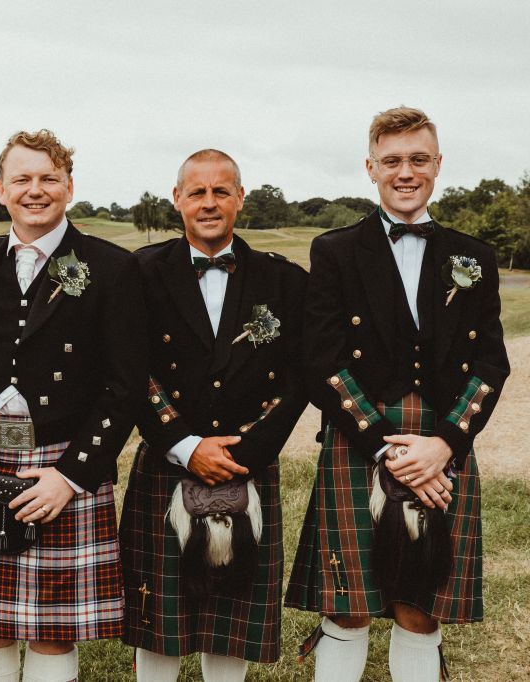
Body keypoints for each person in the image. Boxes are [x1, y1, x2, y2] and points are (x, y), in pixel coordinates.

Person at [285, 106, 510, 681]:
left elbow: (490, 362)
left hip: (442, 436)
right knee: (348, 602)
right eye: (392, 161)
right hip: (362, 437)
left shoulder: (473, 256)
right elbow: (322, 362)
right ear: (370, 168)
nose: (405, 172)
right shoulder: (335, 250)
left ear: (438, 165)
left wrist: (446, 444)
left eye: (417, 159)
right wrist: (386, 446)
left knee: (420, 604)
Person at [0, 129, 146, 682]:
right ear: (0, 189)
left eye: (49, 178)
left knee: (53, 630)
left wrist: (71, 477)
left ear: (69, 187)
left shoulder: (113, 268)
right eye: (22, 179)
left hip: (63, 459)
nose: (36, 190)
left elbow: (124, 387)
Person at [119, 150, 309, 681]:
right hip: (167, 456)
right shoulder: (139, 272)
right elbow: (129, 369)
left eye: (221, 191)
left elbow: (299, 378)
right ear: (176, 199)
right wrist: (184, 444)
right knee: (159, 617)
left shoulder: (284, 280)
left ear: (240, 198)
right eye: (196, 192)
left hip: (249, 463)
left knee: (232, 616)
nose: (209, 203)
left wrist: (246, 451)